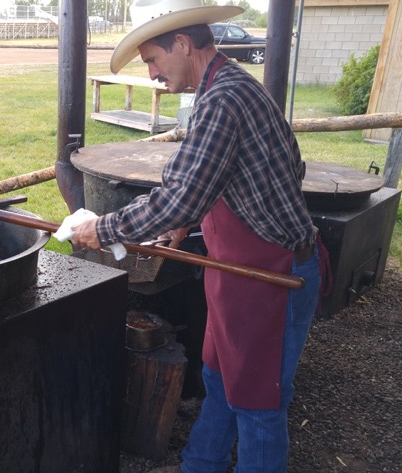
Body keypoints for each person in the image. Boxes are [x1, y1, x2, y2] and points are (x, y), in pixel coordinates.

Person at [69, 1, 325, 471]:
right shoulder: (230, 87)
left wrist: (101, 229)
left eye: (152, 60)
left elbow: (180, 196)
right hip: (241, 273)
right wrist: (187, 221)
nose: (151, 74)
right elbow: (268, 169)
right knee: (221, 377)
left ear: (183, 45)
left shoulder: (223, 100)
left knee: (259, 404)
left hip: (273, 274)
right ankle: (200, 464)